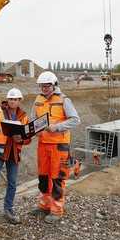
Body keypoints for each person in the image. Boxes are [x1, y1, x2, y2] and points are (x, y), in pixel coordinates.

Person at [31, 71, 80, 224]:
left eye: (47, 86)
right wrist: (34, 130)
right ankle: (44, 206)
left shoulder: (64, 100)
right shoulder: (37, 100)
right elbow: (33, 119)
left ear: (54, 85)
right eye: (42, 86)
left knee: (57, 178)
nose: (44, 88)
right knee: (43, 177)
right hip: (43, 145)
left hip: (59, 145)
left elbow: (75, 120)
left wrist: (57, 127)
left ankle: (56, 210)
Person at [0, 87, 30, 228]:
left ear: (19, 100)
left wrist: (21, 139)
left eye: (15, 99)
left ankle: (8, 210)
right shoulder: (0, 111)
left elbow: (28, 138)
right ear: (7, 100)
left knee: (12, 183)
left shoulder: (24, 116)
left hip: (13, 153)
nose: (13, 101)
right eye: (10, 99)